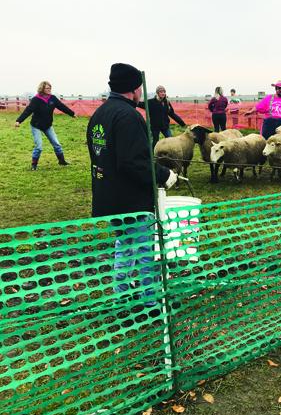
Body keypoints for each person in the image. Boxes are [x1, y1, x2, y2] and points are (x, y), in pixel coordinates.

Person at [87, 63, 177, 314]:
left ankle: (122, 296)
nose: (141, 91)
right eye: (139, 86)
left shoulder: (100, 113)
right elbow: (134, 162)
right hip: (131, 200)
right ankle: (150, 300)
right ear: (133, 89)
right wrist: (164, 175)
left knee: (123, 248)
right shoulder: (128, 116)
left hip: (109, 196)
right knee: (145, 249)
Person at [14, 80, 76, 170]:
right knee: (39, 147)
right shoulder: (36, 100)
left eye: (50, 88)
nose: (49, 89)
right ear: (42, 89)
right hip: (36, 126)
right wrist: (19, 121)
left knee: (57, 144)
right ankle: (34, 165)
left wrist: (71, 113)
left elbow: (61, 106)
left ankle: (62, 161)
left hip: (48, 126)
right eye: (47, 88)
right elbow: (28, 110)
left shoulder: (52, 98)